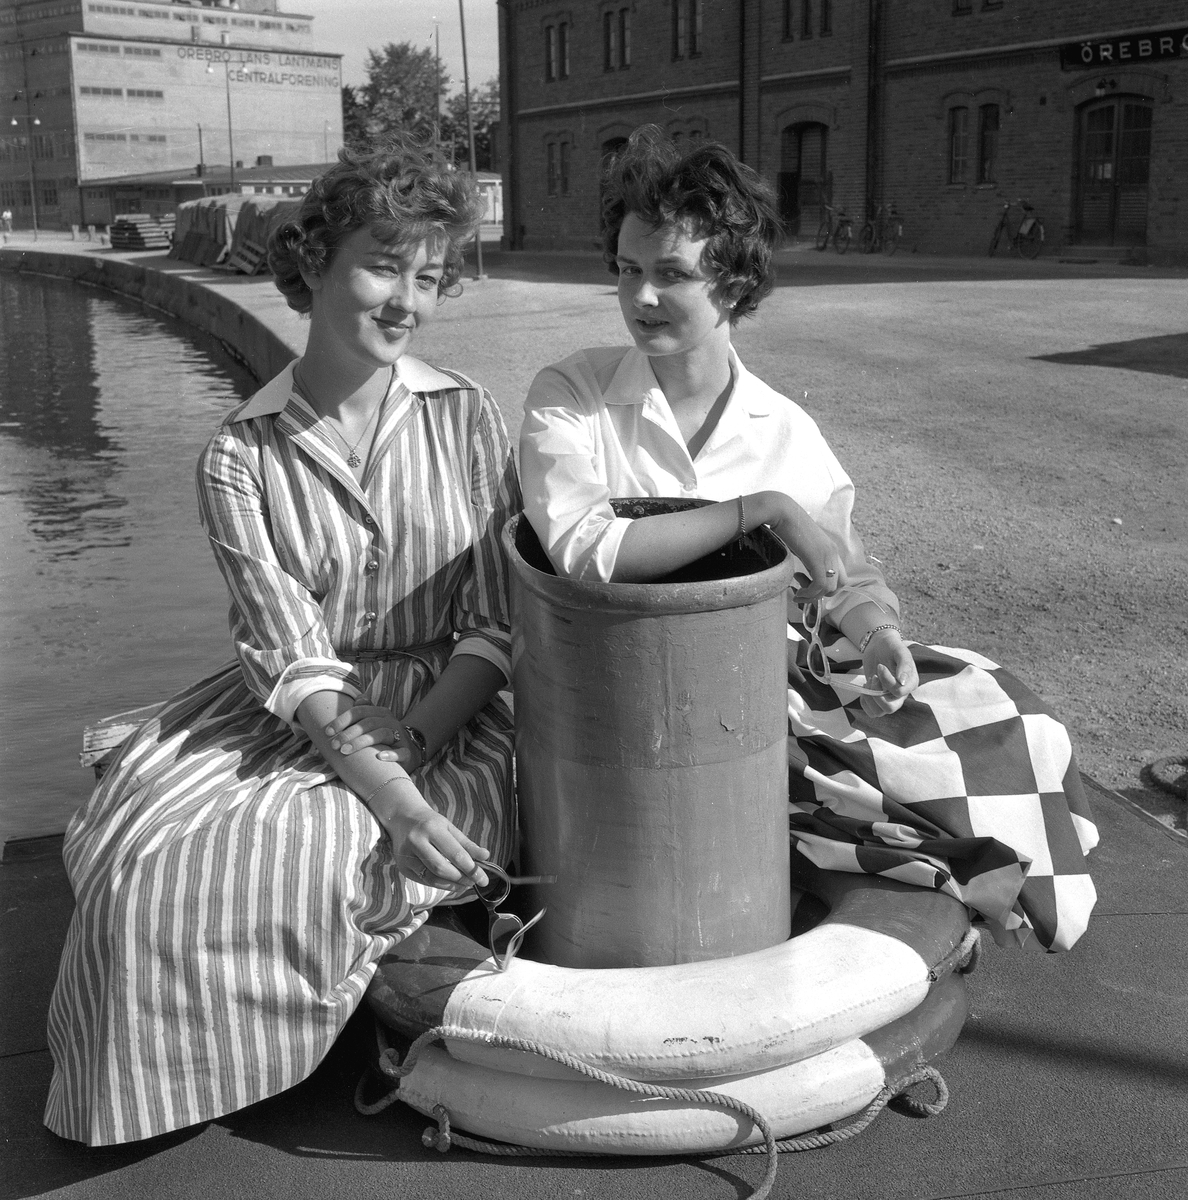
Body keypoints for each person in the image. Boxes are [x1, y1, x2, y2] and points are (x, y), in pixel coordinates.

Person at [519, 126, 1098, 954]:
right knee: (861, 773)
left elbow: (843, 572)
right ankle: (930, 880)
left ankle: (955, 890)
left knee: (1011, 711)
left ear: (733, 282)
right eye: (626, 268)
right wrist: (764, 509)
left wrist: (880, 633)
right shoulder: (573, 393)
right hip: (617, 683)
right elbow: (589, 552)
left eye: (671, 274)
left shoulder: (781, 425)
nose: (640, 297)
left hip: (764, 668)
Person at [45, 140, 519, 1145]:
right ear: (314, 263)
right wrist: (390, 789)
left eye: (429, 277)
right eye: (383, 267)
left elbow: (494, 621)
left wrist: (417, 747)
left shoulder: (467, 416)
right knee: (151, 874)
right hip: (307, 712)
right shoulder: (239, 454)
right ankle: (165, 1080)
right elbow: (293, 657)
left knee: (309, 852)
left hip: (456, 709)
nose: (408, 301)